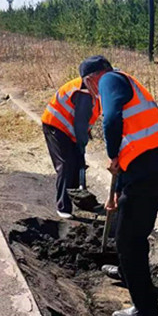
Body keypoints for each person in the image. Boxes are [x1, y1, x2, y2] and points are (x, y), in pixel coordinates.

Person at [79, 55, 158, 316]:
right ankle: (125, 272)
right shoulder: (128, 83)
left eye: (89, 87)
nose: (93, 94)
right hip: (154, 166)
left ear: (92, 78)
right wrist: (118, 191)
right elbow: (133, 143)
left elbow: (111, 121)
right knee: (133, 232)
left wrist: (111, 153)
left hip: (145, 170)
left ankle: (145, 308)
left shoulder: (109, 79)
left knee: (128, 240)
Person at [41, 67, 101, 217]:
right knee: (66, 164)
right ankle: (63, 207)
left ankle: (77, 197)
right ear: (93, 78)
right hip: (56, 125)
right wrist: (81, 144)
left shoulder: (94, 88)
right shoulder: (84, 93)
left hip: (68, 128)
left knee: (76, 162)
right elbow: (80, 125)